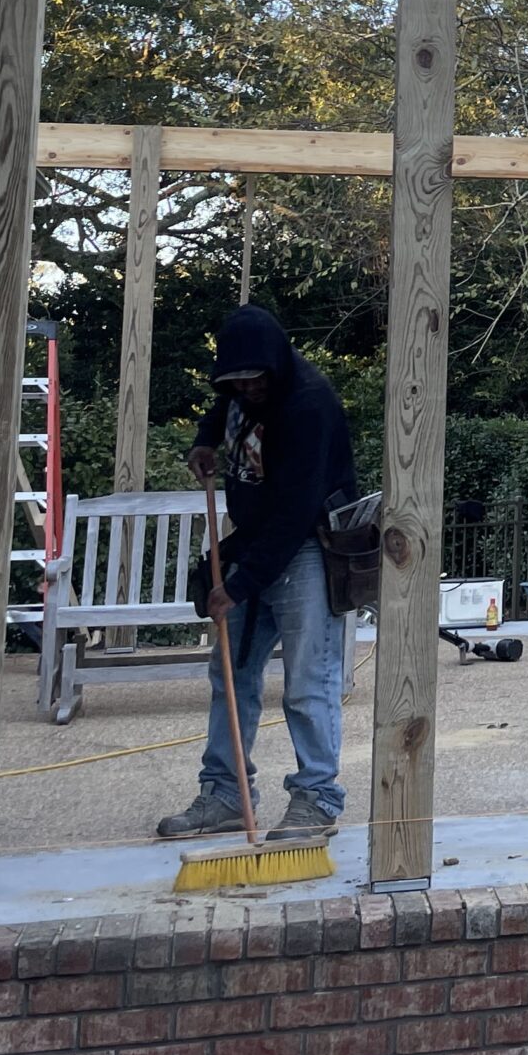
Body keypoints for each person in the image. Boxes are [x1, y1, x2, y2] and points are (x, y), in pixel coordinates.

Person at [157, 305, 358, 844]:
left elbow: (294, 515)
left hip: (308, 546)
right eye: (235, 382)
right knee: (231, 676)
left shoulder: (308, 406)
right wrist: (204, 438)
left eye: (253, 380)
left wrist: (238, 586)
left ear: (274, 365)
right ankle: (224, 794)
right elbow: (223, 402)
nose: (245, 390)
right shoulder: (244, 386)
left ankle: (316, 798)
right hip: (254, 543)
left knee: (307, 681)